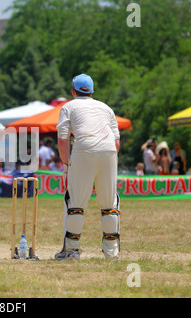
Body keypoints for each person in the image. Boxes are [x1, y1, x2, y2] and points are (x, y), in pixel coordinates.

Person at [56, 73, 121, 261]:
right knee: (109, 203)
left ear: (72, 91)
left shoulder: (68, 106)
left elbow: (62, 139)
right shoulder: (106, 108)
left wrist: (67, 165)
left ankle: (71, 251)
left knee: (75, 203)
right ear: (92, 91)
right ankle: (111, 253)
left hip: (83, 150)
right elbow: (116, 142)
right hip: (108, 150)